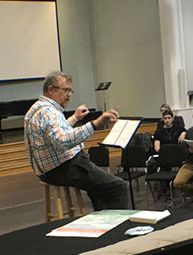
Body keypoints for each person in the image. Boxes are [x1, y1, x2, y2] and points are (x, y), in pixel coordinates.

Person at [24, 70, 130, 210]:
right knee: (118, 187)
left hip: (48, 170)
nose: (68, 95)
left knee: (99, 188)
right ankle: (120, 227)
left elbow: (55, 132)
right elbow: (62, 141)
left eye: (70, 91)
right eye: (65, 90)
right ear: (50, 90)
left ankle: (104, 223)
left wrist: (75, 118)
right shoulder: (50, 112)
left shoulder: (38, 108)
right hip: (63, 168)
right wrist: (96, 123)